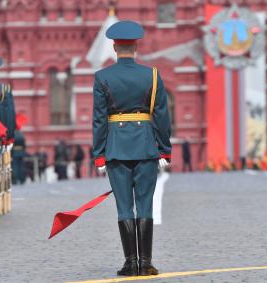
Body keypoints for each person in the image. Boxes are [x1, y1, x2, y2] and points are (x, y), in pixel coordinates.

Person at [92, 21, 171, 276]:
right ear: (136, 46)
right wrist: (164, 148)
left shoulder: (102, 77)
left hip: (116, 147)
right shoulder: (153, 75)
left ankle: (130, 263)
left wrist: (99, 153)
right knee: (145, 204)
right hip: (146, 146)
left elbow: (99, 119)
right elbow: (161, 115)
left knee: (124, 206)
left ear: (114, 47)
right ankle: (145, 263)